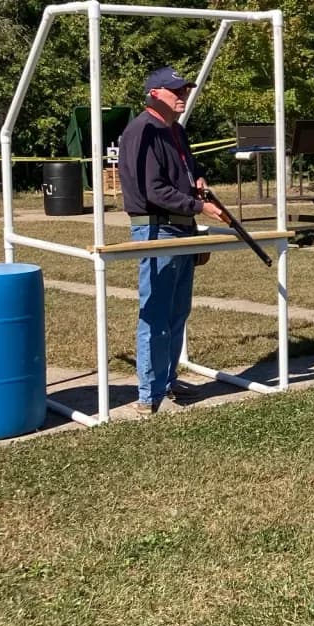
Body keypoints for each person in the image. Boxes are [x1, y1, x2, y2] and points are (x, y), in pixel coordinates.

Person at [117, 65, 226, 414]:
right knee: (155, 314)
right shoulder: (141, 131)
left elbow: (187, 174)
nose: (182, 96)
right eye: (175, 90)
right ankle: (149, 395)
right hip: (156, 228)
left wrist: (199, 185)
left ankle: (167, 380)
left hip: (182, 227)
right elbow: (154, 191)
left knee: (178, 311)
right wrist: (200, 207)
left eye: (184, 90)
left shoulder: (176, 131)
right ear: (154, 94)